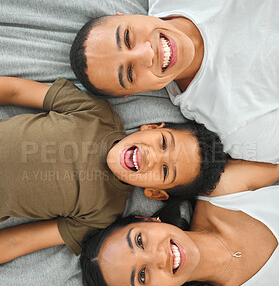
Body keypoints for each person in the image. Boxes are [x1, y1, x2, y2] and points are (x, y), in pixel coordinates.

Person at [0, 75, 228, 263]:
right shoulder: (95, 112)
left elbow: (17, 242)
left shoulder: (103, 214)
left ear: (155, 193)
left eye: (165, 171)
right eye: (164, 143)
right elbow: (13, 90)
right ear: (150, 127)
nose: (152, 157)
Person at [70, 0, 279, 163]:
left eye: (127, 37)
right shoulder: (234, 125)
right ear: (134, 93)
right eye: (130, 73)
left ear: (126, 15)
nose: (147, 55)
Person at [80, 183, 279, 286]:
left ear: (148, 220)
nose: (159, 256)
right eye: (142, 275)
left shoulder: (221, 188)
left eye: (140, 241)